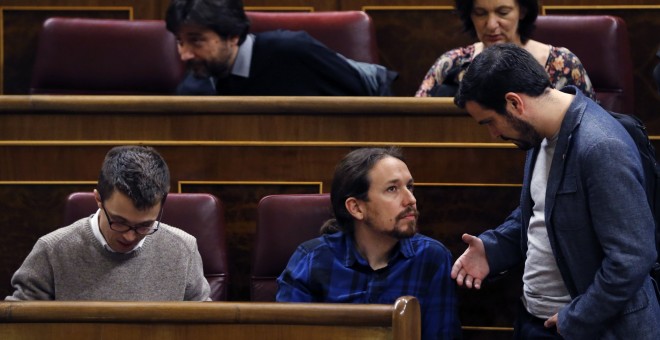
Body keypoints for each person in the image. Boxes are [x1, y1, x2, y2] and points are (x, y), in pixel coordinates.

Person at [452, 43, 660, 339]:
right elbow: (544, 211)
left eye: (490, 122)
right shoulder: (542, 135)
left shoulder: (601, 147)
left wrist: (577, 318)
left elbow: (632, 258)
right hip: (535, 318)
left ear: (515, 103)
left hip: (592, 328)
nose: (493, 134)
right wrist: (493, 249)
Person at [276, 147, 461, 340]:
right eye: (392, 189)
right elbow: (286, 334)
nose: (411, 200)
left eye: (410, 186)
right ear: (356, 208)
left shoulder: (432, 258)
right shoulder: (311, 260)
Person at [5, 145, 211, 301]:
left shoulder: (184, 249)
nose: (130, 236)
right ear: (98, 199)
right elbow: (21, 327)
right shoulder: (51, 251)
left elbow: (203, 328)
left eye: (144, 226)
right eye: (119, 222)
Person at [165, 0, 396, 96]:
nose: (184, 54)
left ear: (233, 35)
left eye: (196, 41)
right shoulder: (195, 84)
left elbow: (365, 92)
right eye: (179, 41)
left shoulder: (293, 52)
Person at [415, 0, 594, 98]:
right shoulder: (452, 63)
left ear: (522, 11)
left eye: (503, 12)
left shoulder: (563, 63)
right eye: (480, 13)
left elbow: (592, 126)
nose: (491, 25)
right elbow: (416, 117)